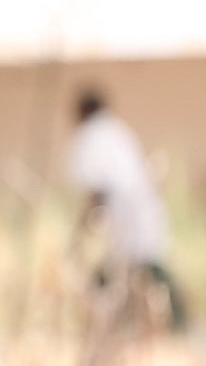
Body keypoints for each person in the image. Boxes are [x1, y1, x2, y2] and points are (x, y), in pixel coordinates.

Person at [67, 86, 185, 331]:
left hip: (125, 217)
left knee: (137, 273)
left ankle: (175, 324)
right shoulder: (118, 131)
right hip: (141, 212)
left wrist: (79, 234)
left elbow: (95, 190)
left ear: (81, 111)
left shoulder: (90, 136)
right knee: (139, 269)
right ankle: (157, 324)